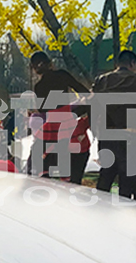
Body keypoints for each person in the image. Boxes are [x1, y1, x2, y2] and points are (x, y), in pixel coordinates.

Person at [91, 49, 136, 200]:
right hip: (131, 135)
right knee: (127, 179)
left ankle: (99, 210)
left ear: (117, 64)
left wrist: (95, 130)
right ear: (133, 64)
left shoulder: (102, 80)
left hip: (107, 135)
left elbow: (93, 107)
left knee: (106, 177)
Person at [27, 51, 89, 180]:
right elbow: (83, 91)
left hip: (52, 124)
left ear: (34, 69)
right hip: (67, 121)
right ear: (50, 63)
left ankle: (41, 174)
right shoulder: (62, 75)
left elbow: (42, 108)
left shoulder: (38, 86)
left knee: (36, 152)